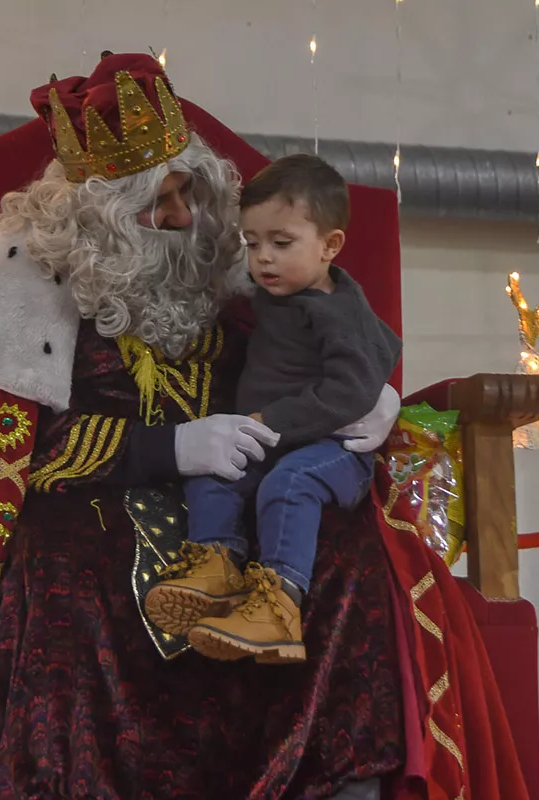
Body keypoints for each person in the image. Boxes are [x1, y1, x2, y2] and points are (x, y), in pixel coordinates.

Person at [0, 53, 408, 800]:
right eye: (157, 206)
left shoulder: (238, 256)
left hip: (251, 466)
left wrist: (369, 395)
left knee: (342, 552)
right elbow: (16, 450)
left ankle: (333, 785)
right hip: (97, 498)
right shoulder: (39, 275)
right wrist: (172, 447)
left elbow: (326, 336)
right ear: (98, 217)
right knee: (69, 579)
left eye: (187, 194)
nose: (184, 220)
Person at [145, 154, 402, 665]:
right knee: (214, 468)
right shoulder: (274, 295)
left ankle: (280, 607)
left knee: (290, 484)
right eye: (252, 243)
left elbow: (352, 392)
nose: (263, 258)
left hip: (335, 451)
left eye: (281, 244)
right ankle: (217, 563)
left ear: (330, 246)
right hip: (276, 440)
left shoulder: (341, 312)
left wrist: (272, 422)